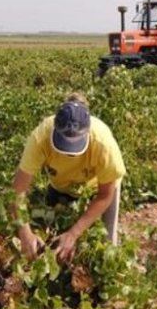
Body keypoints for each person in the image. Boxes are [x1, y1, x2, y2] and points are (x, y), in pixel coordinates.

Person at [11, 93, 126, 263]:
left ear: (87, 133)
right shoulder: (40, 137)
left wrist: (74, 233)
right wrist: (25, 233)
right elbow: (17, 192)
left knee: (107, 243)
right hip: (60, 184)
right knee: (48, 231)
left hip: (97, 189)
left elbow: (105, 195)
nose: (69, 154)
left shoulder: (104, 145)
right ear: (55, 129)